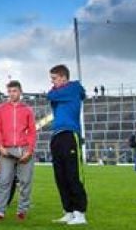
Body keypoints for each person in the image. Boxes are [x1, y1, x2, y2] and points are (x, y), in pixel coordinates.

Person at [47, 64, 88, 226]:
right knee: (60, 176)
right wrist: (54, 91)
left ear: (64, 78)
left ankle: (80, 213)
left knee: (72, 175)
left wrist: (54, 91)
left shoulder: (73, 88)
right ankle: (69, 211)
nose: (53, 82)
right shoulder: (60, 92)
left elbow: (50, 96)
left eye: (55, 78)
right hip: (57, 135)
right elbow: (51, 95)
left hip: (70, 134)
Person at [0, 80, 36, 221]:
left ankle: (22, 210)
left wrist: (29, 150)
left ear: (20, 91)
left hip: (23, 149)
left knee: (25, 181)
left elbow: (32, 131)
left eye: (14, 91)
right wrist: (0, 146)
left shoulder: (27, 110)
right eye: (9, 91)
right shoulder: (0, 109)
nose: (12, 94)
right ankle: (0, 212)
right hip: (7, 150)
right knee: (4, 181)